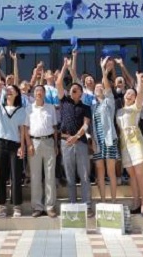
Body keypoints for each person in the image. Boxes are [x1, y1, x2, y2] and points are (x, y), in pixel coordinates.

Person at [0, 59, 27, 218]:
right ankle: (2, 205)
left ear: (17, 93)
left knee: (16, 175)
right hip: (1, 142)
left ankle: (16, 205)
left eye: (11, 90)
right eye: (7, 90)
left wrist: (22, 146)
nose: (8, 91)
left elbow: (22, 129)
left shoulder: (21, 110)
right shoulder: (0, 107)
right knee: (1, 174)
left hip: (15, 144)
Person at [56, 57, 94, 217]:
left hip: (81, 143)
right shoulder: (64, 101)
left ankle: (87, 205)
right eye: (72, 88)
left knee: (84, 175)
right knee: (70, 176)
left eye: (76, 89)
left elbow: (86, 125)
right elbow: (58, 83)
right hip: (65, 142)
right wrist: (65, 66)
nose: (73, 90)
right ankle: (72, 205)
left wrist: (77, 137)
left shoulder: (85, 107)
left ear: (81, 93)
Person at [117, 71, 143, 216]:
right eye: (127, 93)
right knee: (132, 175)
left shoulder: (136, 108)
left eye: (132, 94)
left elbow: (140, 94)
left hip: (136, 142)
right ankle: (136, 203)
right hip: (125, 145)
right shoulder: (119, 111)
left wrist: (139, 80)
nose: (129, 95)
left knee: (140, 173)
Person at [24, 85, 58, 218]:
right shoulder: (28, 108)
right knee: (35, 176)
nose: (38, 93)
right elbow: (25, 128)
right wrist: (29, 144)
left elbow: (55, 127)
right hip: (34, 143)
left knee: (50, 176)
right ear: (33, 94)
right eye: (36, 91)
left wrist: (56, 144)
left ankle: (50, 206)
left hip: (49, 142)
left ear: (44, 93)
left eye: (41, 91)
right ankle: (37, 207)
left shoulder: (51, 108)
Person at [92, 57, 119, 203]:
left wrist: (103, 70)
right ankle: (103, 201)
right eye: (96, 88)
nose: (99, 88)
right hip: (98, 143)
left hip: (109, 141)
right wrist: (93, 141)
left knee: (111, 172)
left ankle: (113, 201)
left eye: (100, 87)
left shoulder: (109, 102)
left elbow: (108, 87)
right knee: (100, 173)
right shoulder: (93, 107)